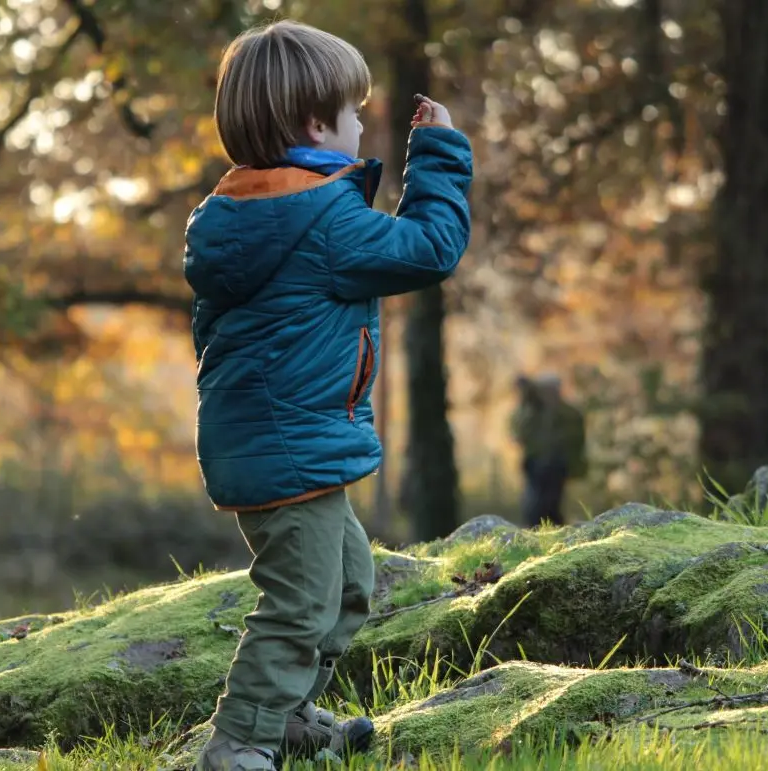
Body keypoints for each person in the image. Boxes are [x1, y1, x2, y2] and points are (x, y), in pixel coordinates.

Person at [182, 19, 474, 771]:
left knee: (347, 580)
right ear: (314, 123)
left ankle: (288, 716)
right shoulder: (322, 220)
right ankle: (240, 740)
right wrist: (436, 155)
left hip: (270, 441)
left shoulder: (237, 215)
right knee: (302, 601)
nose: (357, 129)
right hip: (290, 449)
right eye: (351, 115)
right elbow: (430, 248)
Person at [511, 373, 587, 527]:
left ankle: (553, 532)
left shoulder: (569, 414)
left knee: (552, 505)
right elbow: (517, 434)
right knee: (533, 505)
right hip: (534, 465)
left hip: (557, 466)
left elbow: (576, 440)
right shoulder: (531, 412)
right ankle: (535, 531)